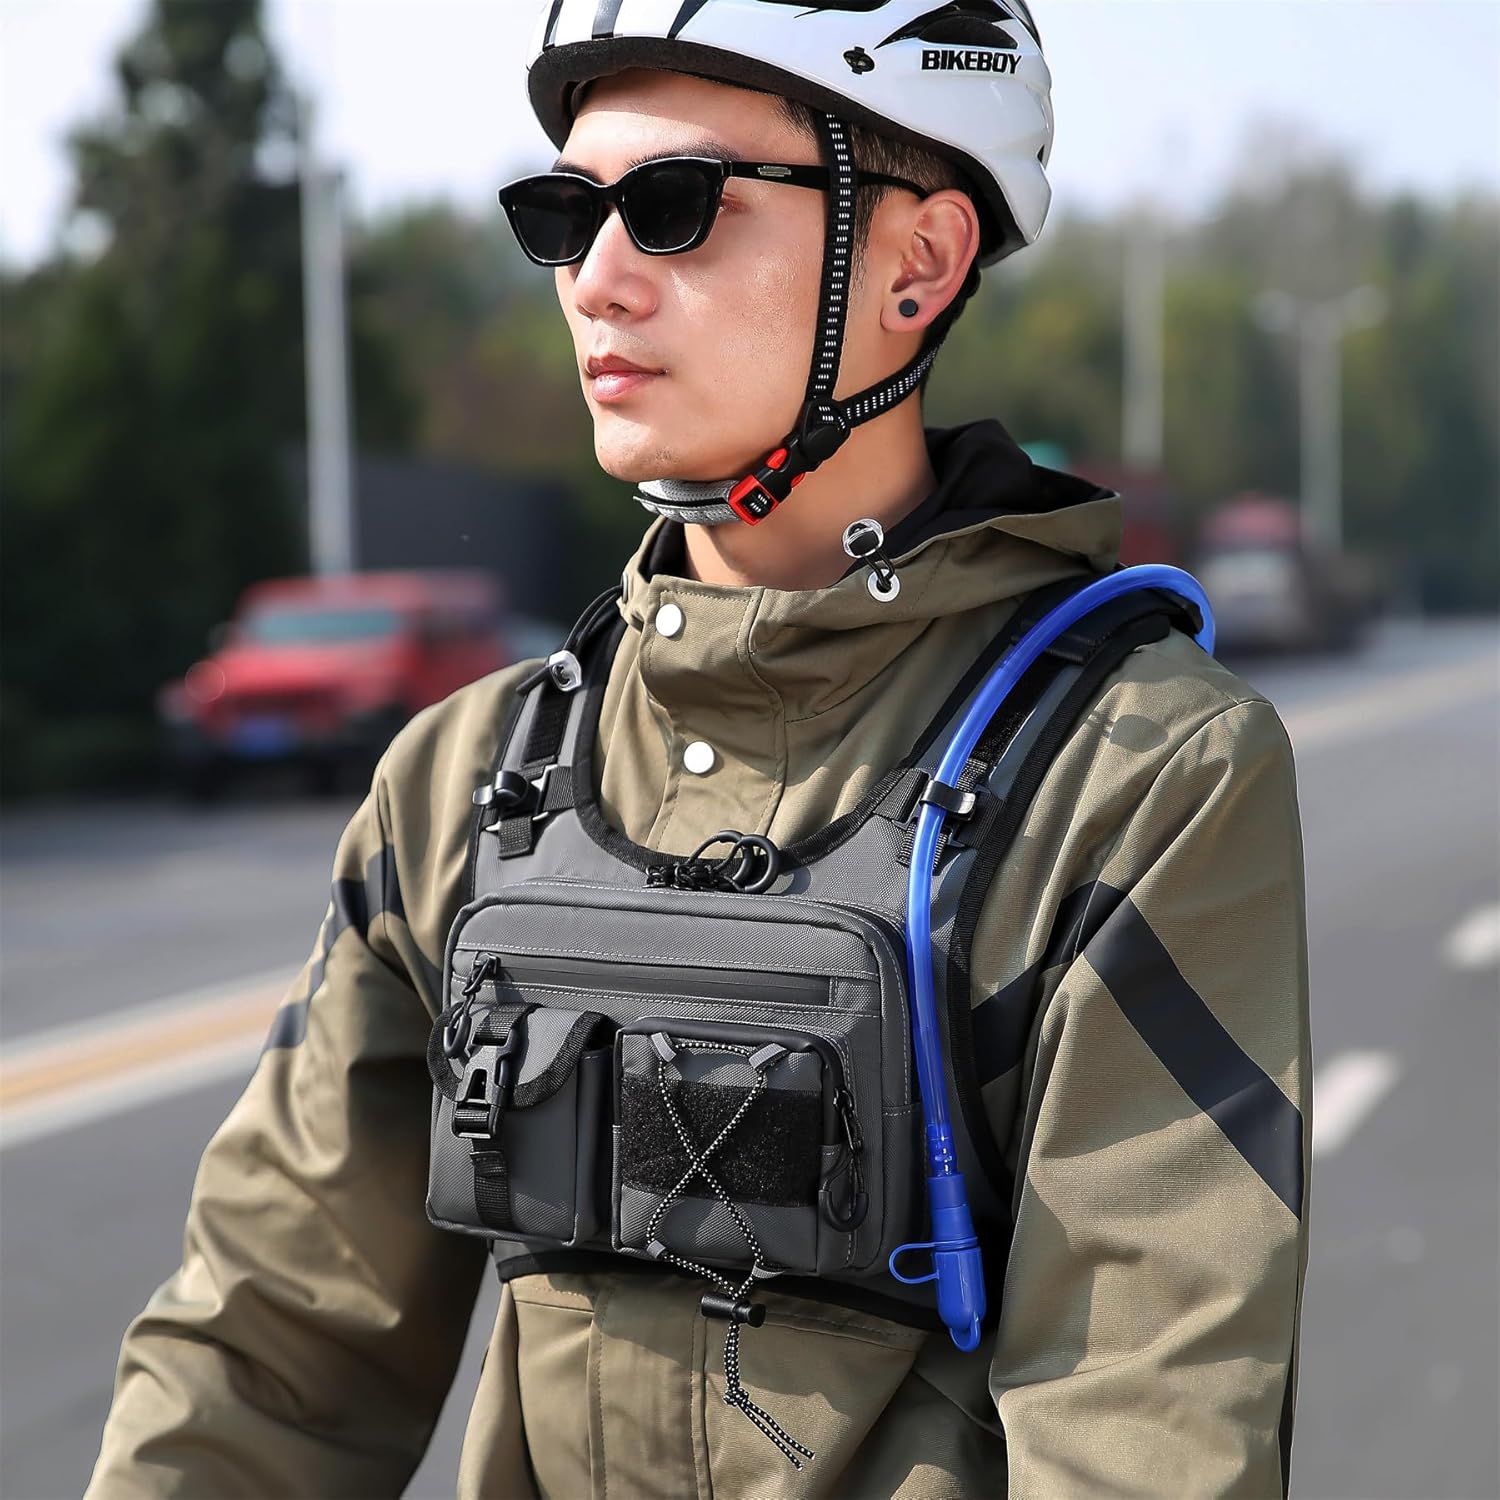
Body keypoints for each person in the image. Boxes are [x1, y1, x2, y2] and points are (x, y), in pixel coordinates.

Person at [88, 2, 1311, 1495]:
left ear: (919, 263)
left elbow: (1146, 1432)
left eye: (677, 206)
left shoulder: (1137, 776)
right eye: (564, 216)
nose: (596, 279)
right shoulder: (464, 777)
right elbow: (266, 1354)